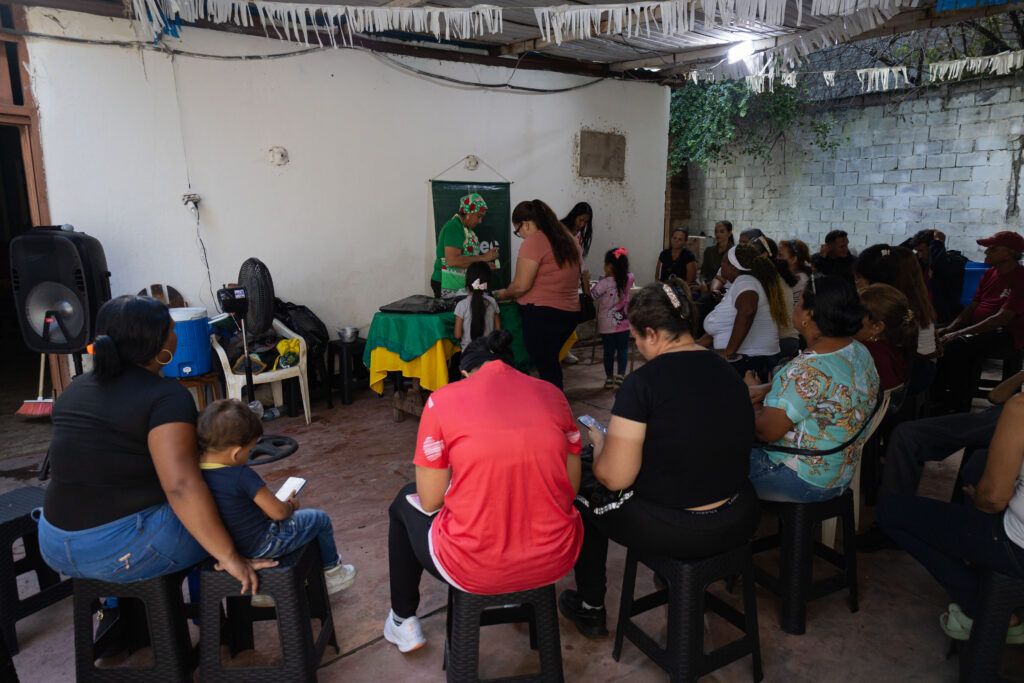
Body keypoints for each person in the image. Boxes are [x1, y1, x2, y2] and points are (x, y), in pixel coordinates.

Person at [558, 281, 760, 638]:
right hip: (737, 516)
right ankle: (675, 578)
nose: (637, 346)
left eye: (637, 338)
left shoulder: (643, 384)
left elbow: (615, 478)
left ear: (652, 333)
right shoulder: (727, 371)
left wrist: (602, 444)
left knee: (583, 487)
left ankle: (590, 608)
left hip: (680, 529)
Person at [38, 296, 274, 593]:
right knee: (232, 507)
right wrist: (230, 557)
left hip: (54, 544)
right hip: (119, 551)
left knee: (201, 509)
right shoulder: (165, 397)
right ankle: (241, 602)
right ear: (159, 346)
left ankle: (119, 608)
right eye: (171, 330)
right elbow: (181, 486)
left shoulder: (76, 388)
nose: (176, 334)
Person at [383, 330, 583, 652]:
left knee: (404, 503)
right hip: (554, 557)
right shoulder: (552, 394)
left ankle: (401, 620)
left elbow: (431, 501)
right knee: (525, 491)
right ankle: (513, 597)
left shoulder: (443, 400)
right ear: (512, 366)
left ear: (465, 372)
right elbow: (569, 490)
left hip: (474, 565)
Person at [878, 393, 1024, 644]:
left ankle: (989, 610)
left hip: (1014, 545)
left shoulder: (1019, 409)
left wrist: (980, 497)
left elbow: (992, 500)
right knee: (976, 466)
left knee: (890, 511)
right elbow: (996, 395)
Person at [196, 399, 356, 603]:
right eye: (249, 451)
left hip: (229, 548)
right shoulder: (241, 474)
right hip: (262, 544)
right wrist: (291, 505)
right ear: (236, 453)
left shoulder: (196, 474)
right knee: (318, 519)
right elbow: (278, 513)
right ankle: (332, 572)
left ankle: (265, 590)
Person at [748, 278, 880, 502]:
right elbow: (829, 386)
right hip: (838, 474)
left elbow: (765, 432)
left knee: (712, 456)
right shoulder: (857, 351)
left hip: (798, 479)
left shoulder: (804, 370)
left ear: (809, 315)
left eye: (798, 303)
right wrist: (769, 388)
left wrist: (747, 396)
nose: (794, 307)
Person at [494, 199, 582, 390]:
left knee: (547, 368)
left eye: (518, 231)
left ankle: (553, 405)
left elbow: (521, 286)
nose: (521, 236)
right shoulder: (567, 238)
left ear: (525, 224)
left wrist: (504, 293)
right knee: (550, 362)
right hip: (569, 313)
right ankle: (550, 400)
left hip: (543, 315)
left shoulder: (535, 241)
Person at [933, 231, 1024, 414]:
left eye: (992, 249)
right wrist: (950, 328)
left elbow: (1001, 319)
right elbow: (972, 307)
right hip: (980, 329)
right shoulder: (990, 273)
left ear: (1009, 253)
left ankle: (959, 403)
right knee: (933, 334)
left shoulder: (1021, 278)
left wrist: (958, 333)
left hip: (1006, 335)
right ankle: (938, 395)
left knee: (958, 346)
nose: (986, 252)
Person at [855, 244, 939, 397]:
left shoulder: (889, 306)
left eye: (859, 278)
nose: (856, 283)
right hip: (912, 368)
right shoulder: (904, 294)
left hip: (915, 372)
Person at [697, 244, 787, 380]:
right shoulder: (741, 284)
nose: (721, 266)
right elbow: (717, 330)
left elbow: (748, 310)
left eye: (723, 262)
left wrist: (729, 351)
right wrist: (692, 346)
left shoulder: (745, 282)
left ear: (732, 267)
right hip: (752, 359)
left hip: (750, 362)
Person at [430, 193, 499, 297]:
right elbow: (453, 261)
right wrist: (483, 258)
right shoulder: (453, 227)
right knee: (455, 308)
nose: (480, 221)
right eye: (479, 216)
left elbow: (467, 258)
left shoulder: (467, 230)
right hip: (446, 282)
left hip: (461, 281)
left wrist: (483, 264)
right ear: (468, 213)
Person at [854, 283, 916, 391]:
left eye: (856, 315)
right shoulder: (889, 346)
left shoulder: (868, 354)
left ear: (877, 327)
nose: (847, 317)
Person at [903, 229, 965, 326]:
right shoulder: (921, 263)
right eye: (917, 251)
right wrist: (913, 240)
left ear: (932, 247)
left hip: (944, 318)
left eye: (921, 250)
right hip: (922, 315)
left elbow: (937, 266)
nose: (920, 255)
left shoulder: (955, 261)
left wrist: (937, 241)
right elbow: (897, 257)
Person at [592, 247, 634, 388]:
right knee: (623, 349)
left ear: (609, 266)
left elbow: (592, 296)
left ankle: (609, 378)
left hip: (606, 325)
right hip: (623, 323)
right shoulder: (629, 279)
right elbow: (629, 274)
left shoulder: (604, 283)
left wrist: (585, 282)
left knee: (608, 351)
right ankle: (621, 375)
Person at [453, 261, 500, 350]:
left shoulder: (462, 305)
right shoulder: (492, 302)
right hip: (488, 351)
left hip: (468, 353)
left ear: (466, 282)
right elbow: (497, 330)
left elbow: (457, 335)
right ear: (488, 283)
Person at [778, 239, 813, 308]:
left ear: (793, 259)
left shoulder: (801, 281)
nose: (776, 258)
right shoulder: (784, 275)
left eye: (780, 255)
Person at [700, 219, 735, 285]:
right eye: (716, 231)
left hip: (724, 285)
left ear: (729, 233)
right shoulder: (709, 250)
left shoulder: (733, 252)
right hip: (708, 282)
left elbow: (729, 278)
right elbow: (703, 272)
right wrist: (703, 282)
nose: (718, 234)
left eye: (721, 231)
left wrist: (708, 285)